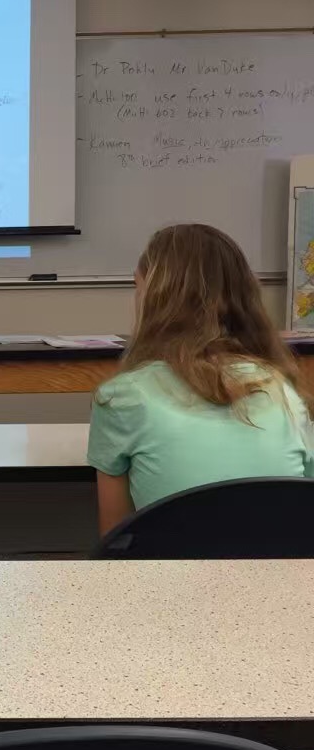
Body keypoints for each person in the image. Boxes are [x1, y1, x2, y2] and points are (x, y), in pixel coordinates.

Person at [87, 223, 314, 536]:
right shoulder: (284, 392)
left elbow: (115, 538)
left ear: (153, 299)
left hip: (168, 567)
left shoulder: (121, 398)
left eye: (137, 287)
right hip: (278, 565)